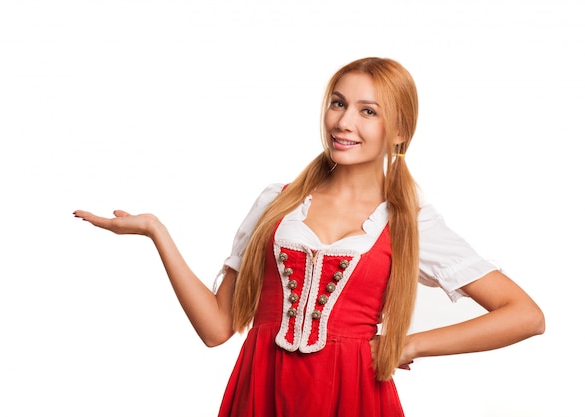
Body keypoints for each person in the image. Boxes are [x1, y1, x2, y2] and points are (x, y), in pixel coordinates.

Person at [73, 57, 545, 416]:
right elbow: (217, 329)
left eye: (368, 111)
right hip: (261, 390)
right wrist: (158, 233)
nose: (344, 122)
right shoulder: (276, 203)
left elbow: (525, 315)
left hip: (355, 396)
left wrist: (411, 343)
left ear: (398, 131)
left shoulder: (407, 221)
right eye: (338, 103)